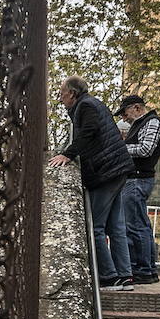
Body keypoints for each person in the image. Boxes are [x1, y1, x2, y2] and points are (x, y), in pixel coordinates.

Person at [48, 76, 136, 290]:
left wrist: (67, 155)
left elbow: (89, 132)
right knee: (116, 227)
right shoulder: (92, 103)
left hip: (106, 171)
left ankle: (109, 276)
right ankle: (124, 276)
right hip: (117, 169)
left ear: (72, 93)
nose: (60, 99)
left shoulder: (85, 105)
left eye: (62, 94)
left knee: (95, 227)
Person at [116, 94, 160, 285]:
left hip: (138, 180)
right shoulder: (143, 123)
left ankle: (142, 269)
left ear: (137, 108)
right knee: (140, 225)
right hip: (136, 180)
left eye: (125, 112)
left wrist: (120, 147)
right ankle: (147, 269)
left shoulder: (152, 122)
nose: (124, 117)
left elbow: (146, 149)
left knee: (135, 226)